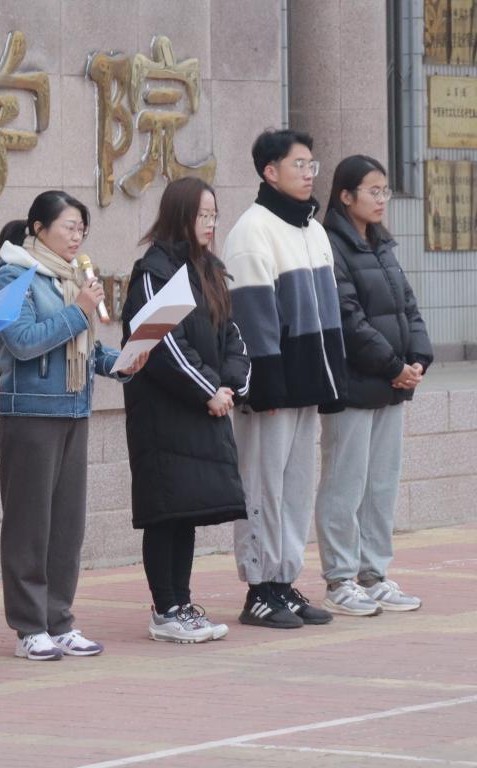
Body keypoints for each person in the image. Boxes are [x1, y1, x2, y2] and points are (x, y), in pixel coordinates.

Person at [0, 190, 147, 661]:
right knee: (29, 526)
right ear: (38, 229)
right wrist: (78, 310)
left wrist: (121, 361)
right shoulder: (13, 275)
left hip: (74, 410)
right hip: (30, 414)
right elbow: (21, 341)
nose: (77, 236)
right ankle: (28, 627)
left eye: (82, 228)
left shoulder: (74, 277)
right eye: (68, 227)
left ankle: (59, 621)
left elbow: (81, 349)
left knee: (66, 526)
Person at [221, 129, 347, 629]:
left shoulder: (312, 229)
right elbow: (251, 318)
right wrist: (262, 387)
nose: (309, 172)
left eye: (311, 163)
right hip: (271, 389)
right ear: (269, 171)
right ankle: (258, 588)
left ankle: (283, 581)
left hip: (307, 384)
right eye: (299, 164)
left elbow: (329, 313)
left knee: (295, 488)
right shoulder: (252, 230)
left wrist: (332, 379)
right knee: (261, 487)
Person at [122, 177, 250, 643]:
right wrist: (208, 390)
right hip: (164, 415)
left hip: (201, 409)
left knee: (187, 510)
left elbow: (231, 335)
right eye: (203, 216)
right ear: (180, 216)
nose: (210, 224)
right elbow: (162, 345)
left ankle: (182, 603)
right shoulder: (154, 271)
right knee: (166, 513)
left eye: (214, 215)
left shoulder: (209, 270)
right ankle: (166, 609)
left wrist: (231, 386)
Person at [316, 155, 432, 616]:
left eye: (385, 191)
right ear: (346, 196)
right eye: (373, 191)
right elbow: (348, 318)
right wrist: (392, 365)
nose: (382, 199)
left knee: (381, 485)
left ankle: (373, 574)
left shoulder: (382, 244)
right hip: (355, 384)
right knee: (345, 484)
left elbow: (408, 307)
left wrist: (418, 358)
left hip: (390, 384)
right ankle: (340, 578)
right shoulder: (330, 245)